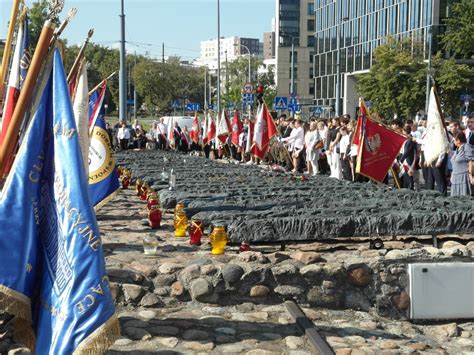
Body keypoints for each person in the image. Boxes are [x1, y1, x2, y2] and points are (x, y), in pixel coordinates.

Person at [450, 132, 474, 196]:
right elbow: (454, 164)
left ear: (458, 140)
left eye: (454, 140)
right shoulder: (458, 149)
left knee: (464, 198)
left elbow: (471, 162)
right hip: (456, 177)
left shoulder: (467, 147)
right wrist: (452, 175)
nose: (453, 142)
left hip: (464, 177)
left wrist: (471, 175)